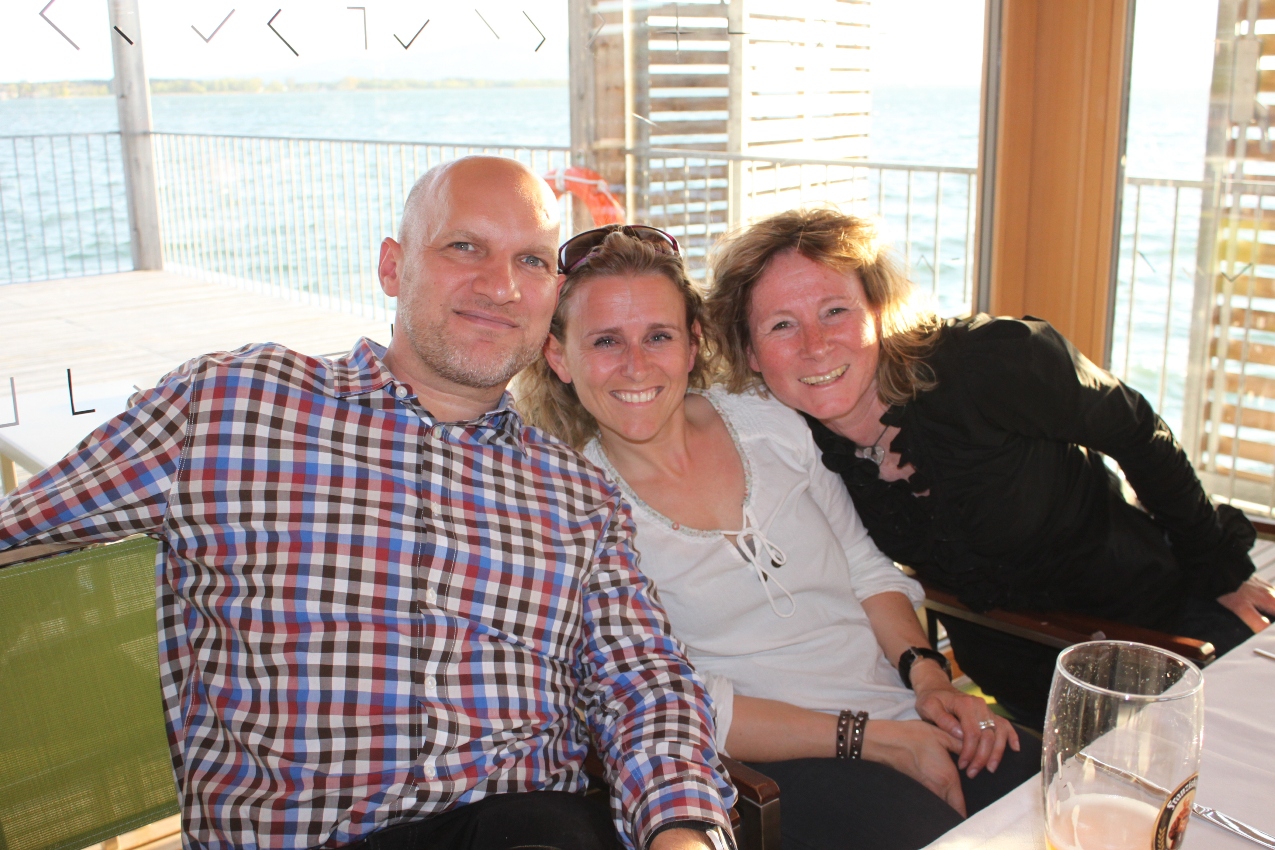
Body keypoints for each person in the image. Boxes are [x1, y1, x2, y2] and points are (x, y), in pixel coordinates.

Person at [0, 157, 737, 850]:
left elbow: (645, 683)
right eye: (465, 247)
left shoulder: (577, 496)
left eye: (532, 262)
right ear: (392, 267)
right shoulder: (233, 405)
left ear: (551, 298)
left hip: (519, 825)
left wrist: (682, 829)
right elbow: (23, 526)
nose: (501, 286)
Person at [517, 224, 1041, 850]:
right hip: (787, 764)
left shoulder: (769, 421)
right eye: (606, 340)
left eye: (659, 335)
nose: (637, 364)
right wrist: (877, 741)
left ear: (694, 343)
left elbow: (865, 566)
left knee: (1075, 791)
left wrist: (929, 680)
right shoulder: (575, 510)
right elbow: (676, 700)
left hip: (903, 707)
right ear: (558, 357)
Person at [704, 207, 1275, 728]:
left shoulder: (991, 362)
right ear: (750, 352)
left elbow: (1136, 430)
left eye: (835, 311)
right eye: (781, 325)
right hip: (1020, 683)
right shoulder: (786, 438)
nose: (816, 344)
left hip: (1162, 630)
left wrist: (1217, 566)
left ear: (878, 311)